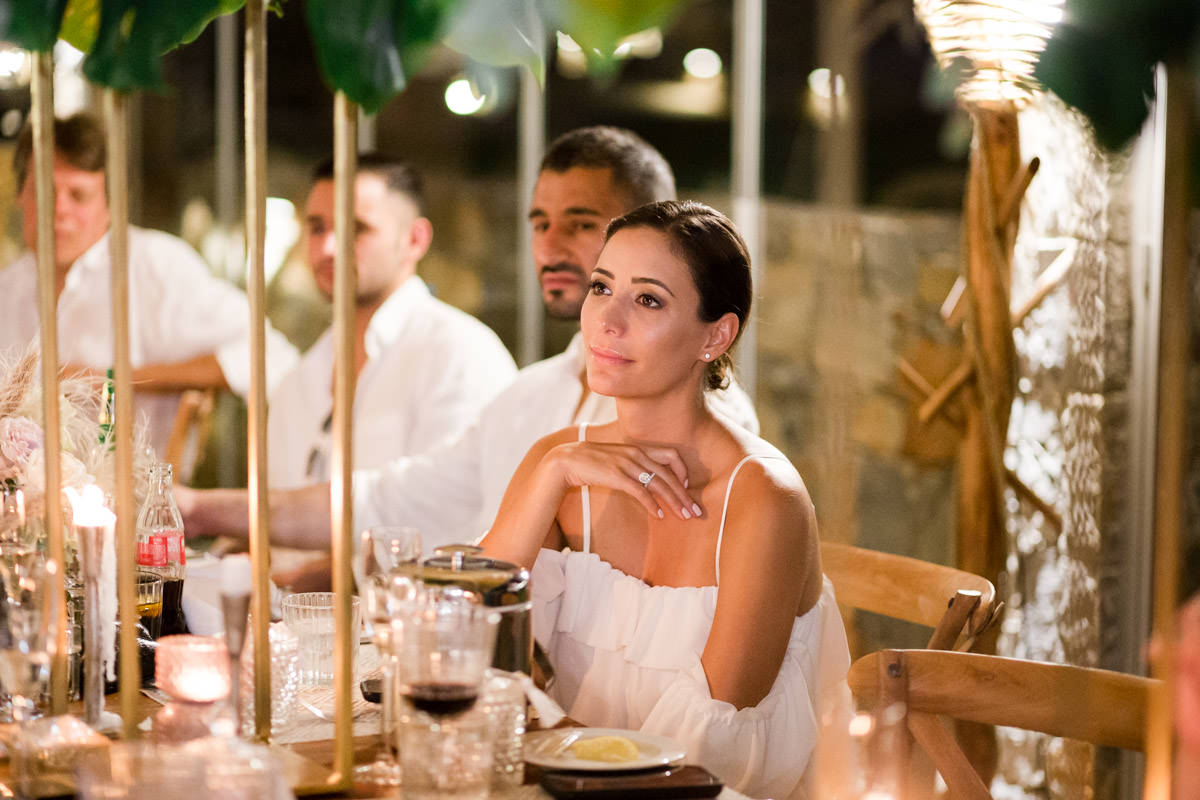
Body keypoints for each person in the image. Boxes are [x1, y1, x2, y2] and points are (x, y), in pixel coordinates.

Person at [179, 126, 757, 550]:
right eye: (539, 224)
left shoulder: (705, 420)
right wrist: (201, 510)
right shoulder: (530, 396)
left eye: (582, 224)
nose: (550, 246)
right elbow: (390, 500)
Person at [480, 200, 849, 800]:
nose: (607, 320)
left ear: (716, 335)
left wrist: (552, 750)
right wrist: (553, 473)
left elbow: (713, 755)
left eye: (648, 299)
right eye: (602, 287)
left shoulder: (764, 499)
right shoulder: (559, 460)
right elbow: (460, 642)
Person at [1, 112, 298, 455]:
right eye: (44, 191)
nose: (58, 210)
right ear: (19, 195)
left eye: (79, 196)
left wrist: (113, 379)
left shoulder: (154, 266)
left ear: (110, 206)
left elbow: (267, 351)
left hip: (141, 502)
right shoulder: (7, 286)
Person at [268, 154, 516, 489]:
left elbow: (449, 507)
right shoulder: (299, 380)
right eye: (316, 228)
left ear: (415, 240)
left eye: (355, 228)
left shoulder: (460, 354)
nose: (327, 247)